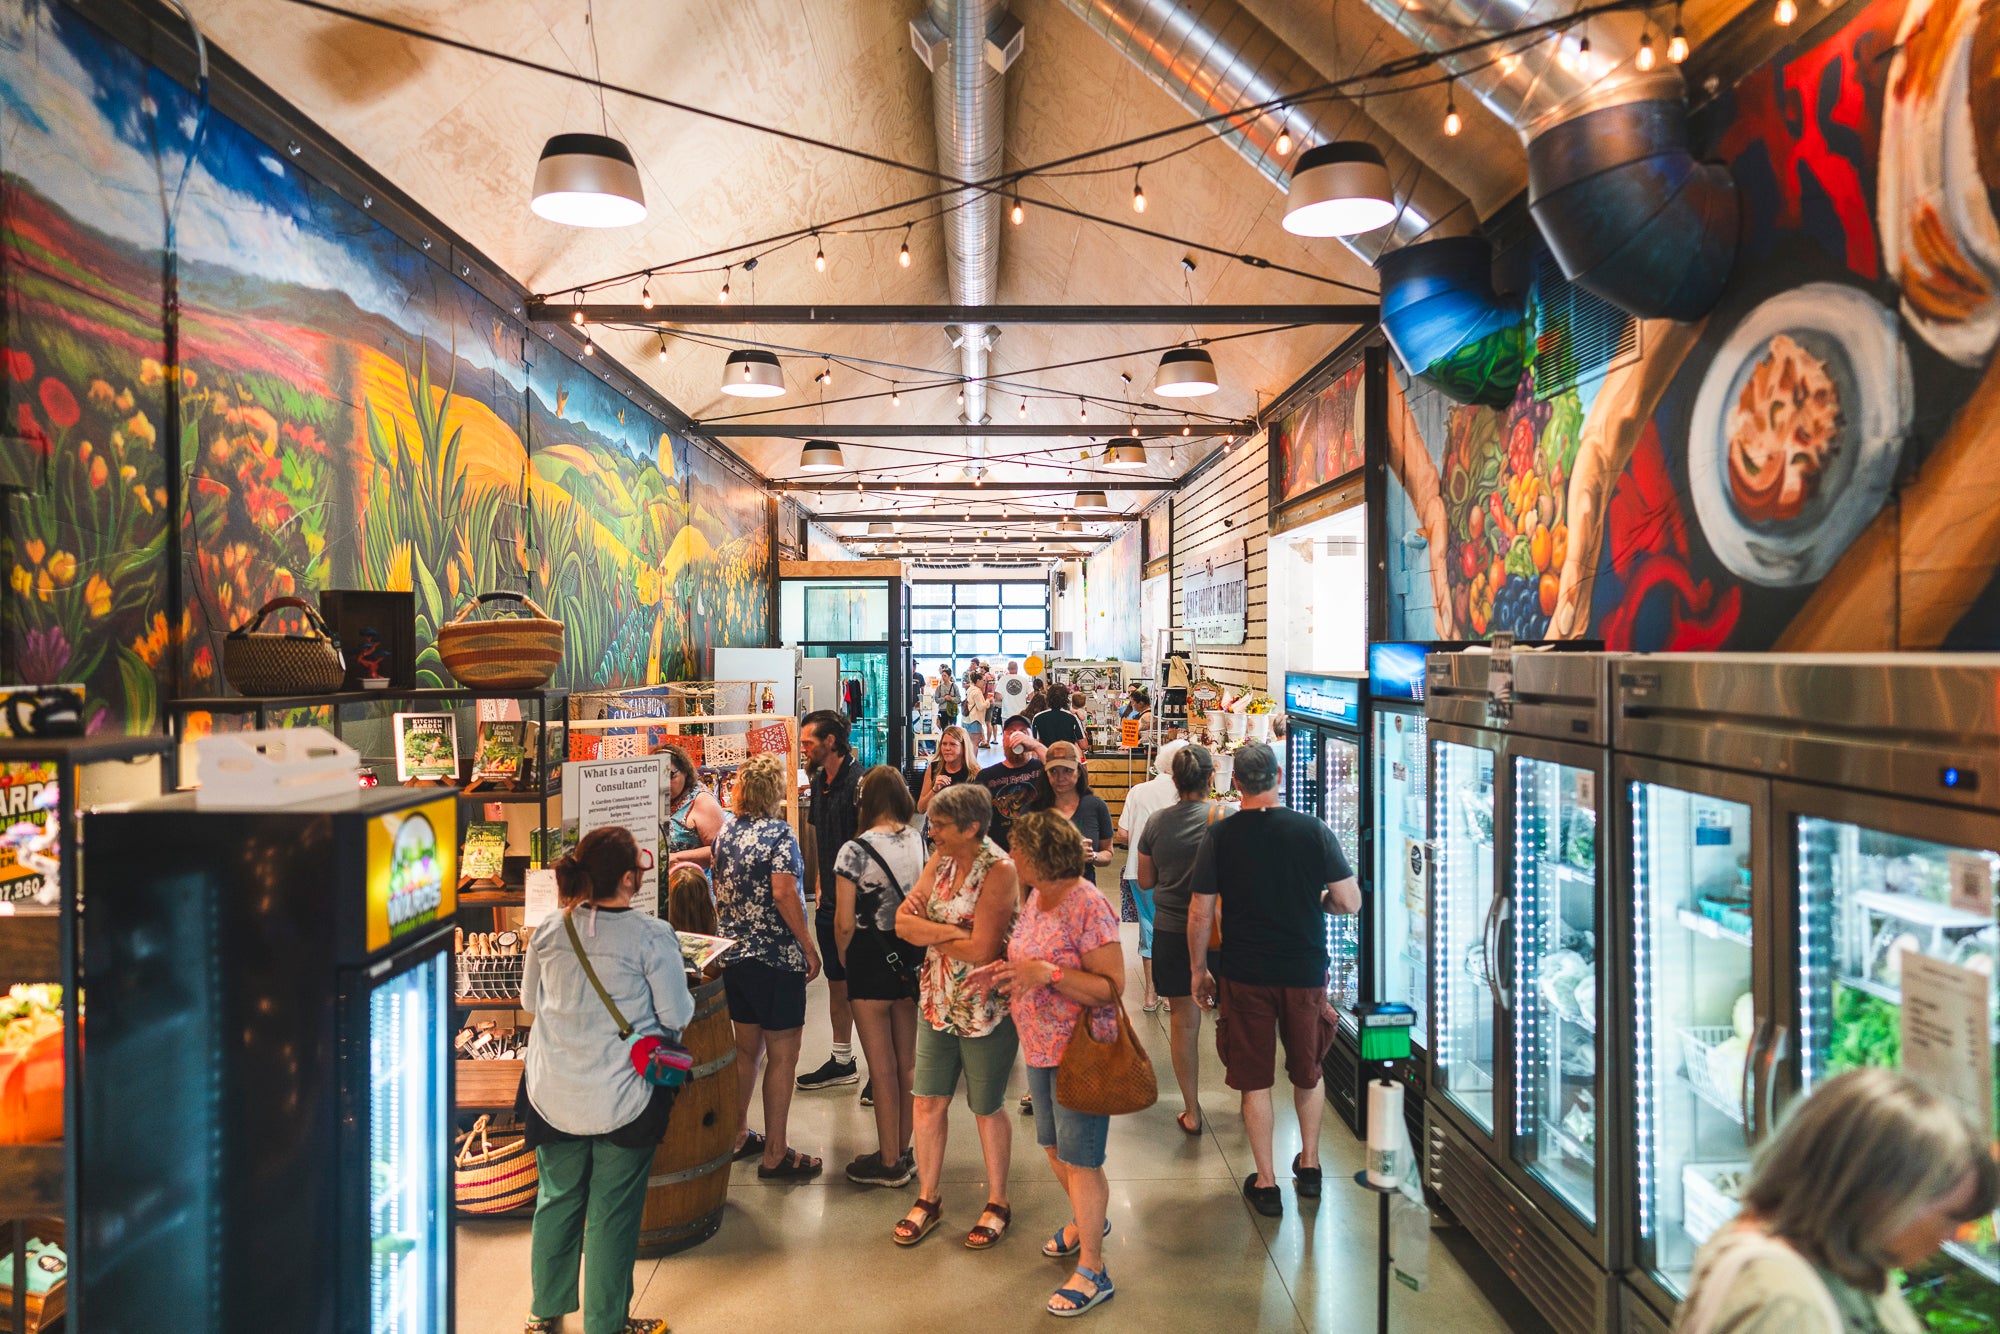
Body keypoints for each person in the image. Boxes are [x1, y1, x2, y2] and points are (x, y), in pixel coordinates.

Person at [518, 826, 692, 1334]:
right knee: (611, 1215)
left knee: (556, 1200)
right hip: (624, 1098)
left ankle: (543, 1312)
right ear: (626, 878)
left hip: (552, 1093)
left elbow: (530, 1003)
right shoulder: (651, 936)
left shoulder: (550, 929)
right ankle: (605, 1325)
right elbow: (676, 1014)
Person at [1675, 1067, 1998, 1334]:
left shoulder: (1837, 1254)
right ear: (1880, 1197)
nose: (1955, 1235)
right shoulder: (1787, 1306)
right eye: (1949, 1216)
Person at [1187, 741, 1359, 1219]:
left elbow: (1200, 912)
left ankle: (1265, 1183)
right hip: (1304, 969)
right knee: (1308, 1071)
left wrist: (1200, 970)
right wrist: (1316, 904)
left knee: (1255, 1080)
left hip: (1245, 974)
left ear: (1235, 782)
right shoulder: (1313, 831)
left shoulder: (1221, 837)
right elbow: (1349, 901)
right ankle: (1310, 1165)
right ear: (1279, 776)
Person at [972, 810, 1125, 1318]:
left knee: (1083, 1160)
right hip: (1038, 1046)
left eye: (1017, 849)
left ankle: (1094, 1268)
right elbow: (1032, 957)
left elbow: (1111, 988)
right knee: (1056, 1148)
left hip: (1079, 1051)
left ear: (1039, 856)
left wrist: (1049, 973)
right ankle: (1087, 1219)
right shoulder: (1037, 895)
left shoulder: (1089, 905)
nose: (1010, 857)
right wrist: (1009, 969)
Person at [889, 783, 1020, 1251]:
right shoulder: (940, 859)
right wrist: (953, 932)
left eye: (941, 825)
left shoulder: (999, 870)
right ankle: (928, 1197)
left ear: (972, 827)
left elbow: (984, 948)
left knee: (986, 1107)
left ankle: (999, 1200)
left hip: (986, 1005)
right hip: (936, 998)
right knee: (927, 1100)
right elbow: (902, 924)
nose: (932, 830)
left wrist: (930, 934)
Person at [710, 753, 824, 1179]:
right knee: (783, 1055)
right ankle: (775, 1152)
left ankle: (738, 1133)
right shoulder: (779, 835)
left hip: (735, 957)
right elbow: (784, 893)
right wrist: (808, 947)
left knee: (746, 1052)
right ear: (775, 791)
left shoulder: (725, 832)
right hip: (776, 958)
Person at [833, 766, 925, 1187]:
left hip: (870, 957)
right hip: (908, 954)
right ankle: (904, 1151)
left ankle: (888, 1162)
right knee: (907, 1064)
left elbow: (844, 920)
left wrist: (843, 958)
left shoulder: (853, 850)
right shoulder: (916, 839)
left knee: (881, 1067)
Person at [1137, 743, 1217, 1134]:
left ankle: (1192, 1110)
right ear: (1211, 778)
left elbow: (1146, 880)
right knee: (1233, 1018)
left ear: (1174, 780)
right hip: (1221, 933)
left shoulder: (1156, 823)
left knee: (1185, 1022)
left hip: (1172, 929)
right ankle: (1249, 1096)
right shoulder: (1226, 817)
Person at [798, 709, 862, 1094]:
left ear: (830, 742)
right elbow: (824, 839)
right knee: (838, 983)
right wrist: (822, 882)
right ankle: (842, 1060)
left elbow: (868, 848)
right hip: (829, 905)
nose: (804, 748)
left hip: (858, 908)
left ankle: (883, 1070)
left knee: (867, 991)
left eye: (809, 742)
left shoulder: (860, 784)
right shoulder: (820, 780)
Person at [1115, 738, 1189, 1015]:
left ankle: (1150, 992)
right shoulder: (1187, 792)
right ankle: (1171, 993)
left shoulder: (1139, 790)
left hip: (1140, 869)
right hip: (1177, 874)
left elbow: (1122, 834)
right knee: (1175, 930)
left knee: (1149, 928)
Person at [1029, 741, 1114, 872]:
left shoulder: (1096, 806)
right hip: (1043, 888)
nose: (1060, 777)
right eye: (1053, 771)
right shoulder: (1033, 810)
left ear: (1079, 772)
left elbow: (1108, 852)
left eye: (1067, 771)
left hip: (1083, 887)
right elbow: (1021, 860)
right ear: (1046, 774)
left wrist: (1093, 855)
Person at [974, 714, 1048, 853]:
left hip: (1039, 853)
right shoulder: (986, 776)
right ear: (1003, 739)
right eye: (1011, 732)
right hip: (1000, 855)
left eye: (1023, 732)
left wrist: (1036, 746)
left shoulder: (1043, 768)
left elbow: (1061, 771)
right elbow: (976, 820)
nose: (1017, 736)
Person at [661, 745, 726, 872]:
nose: (663, 783)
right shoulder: (656, 797)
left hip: (692, 887)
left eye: (670, 775)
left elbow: (720, 850)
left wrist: (676, 858)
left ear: (685, 770)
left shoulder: (702, 800)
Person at [918, 724, 977, 818]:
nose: (947, 748)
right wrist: (935, 789)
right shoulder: (934, 768)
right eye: (944, 744)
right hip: (937, 827)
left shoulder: (975, 773)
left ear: (964, 747)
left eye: (953, 744)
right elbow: (921, 808)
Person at [1033, 682, 1087, 747]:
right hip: (1067, 755)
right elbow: (1084, 745)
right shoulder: (1072, 717)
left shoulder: (1037, 717)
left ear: (1048, 697)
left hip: (1046, 755)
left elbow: (1035, 744)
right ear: (1066, 698)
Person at [964, 676, 987, 750]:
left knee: (969, 743)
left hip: (967, 719)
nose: (984, 682)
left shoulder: (969, 689)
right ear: (978, 680)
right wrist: (988, 702)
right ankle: (973, 761)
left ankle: (969, 760)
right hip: (975, 719)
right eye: (983, 680)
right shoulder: (977, 692)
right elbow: (980, 707)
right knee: (975, 744)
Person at [934, 664, 960, 731]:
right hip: (942, 711)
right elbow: (936, 700)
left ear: (949, 676)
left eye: (945, 676)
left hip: (952, 711)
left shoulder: (954, 686)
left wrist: (951, 698)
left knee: (952, 730)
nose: (943, 677)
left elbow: (959, 699)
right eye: (942, 675)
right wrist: (944, 698)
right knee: (944, 730)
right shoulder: (939, 687)